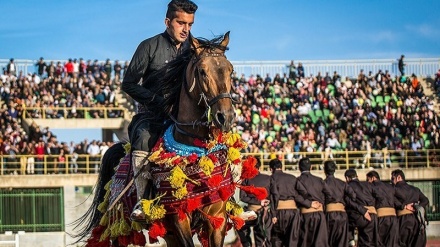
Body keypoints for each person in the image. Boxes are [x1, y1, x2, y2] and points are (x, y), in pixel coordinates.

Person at [121, 0, 198, 221]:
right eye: (181, 23)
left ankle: (229, 201)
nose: (186, 29)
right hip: (152, 115)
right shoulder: (148, 46)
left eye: (190, 25)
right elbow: (128, 84)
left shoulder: (195, 49)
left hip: (186, 119)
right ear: (167, 21)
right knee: (143, 138)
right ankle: (143, 202)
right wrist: (157, 100)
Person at [269, 158, 312, 247]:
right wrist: (308, 203)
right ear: (282, 167)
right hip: (293, 212)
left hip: (277, 211)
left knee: (276, 238)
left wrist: (273, 214)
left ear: (271, 169)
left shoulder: (271, 178)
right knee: (292, 239)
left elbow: (273, 197)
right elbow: (304, 192)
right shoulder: (292, 177)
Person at [238, 157, 277, 247]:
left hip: (250, 212)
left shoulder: (246, 180)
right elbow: (275, 196)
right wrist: (274, 214)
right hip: (266, 213)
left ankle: (247, 243)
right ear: (259, 166)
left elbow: (242, 198)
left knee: (240, 227)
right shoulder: (268, 178)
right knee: (262, 238)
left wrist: (258, 202)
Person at [297, 157, 331, 247]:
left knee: (305, 241)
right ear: (311, 167)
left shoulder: (297, 180)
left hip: (305, 214)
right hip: (319, 214)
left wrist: (308, 203)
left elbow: (296, 196)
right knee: (320, 242)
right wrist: (321, 204)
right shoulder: (319, 180)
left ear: (299, 168)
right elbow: (329, 194)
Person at [391, 169, 429, 247]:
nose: (391, 181)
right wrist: (416, 207)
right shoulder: (415, 189)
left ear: (398, 177)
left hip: (403, 220)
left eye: (392, 178)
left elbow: (392, 200)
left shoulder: (394, 189)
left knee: (401, 243)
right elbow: (425, 200)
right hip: (416, 220)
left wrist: (403, 206)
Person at [323, 160, 356, 247]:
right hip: (342, 214)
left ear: (324, 170)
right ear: (334, 170)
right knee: (342, 241)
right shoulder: (342, 183)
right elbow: (353, 196)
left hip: (329, 214)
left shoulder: (322, 183)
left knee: (329, 240)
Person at [344, 169, 379, 247]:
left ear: (347, 178)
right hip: (372, 215)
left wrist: (363, 211)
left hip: (359, 216)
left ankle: (351, 241)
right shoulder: (368, 184)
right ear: (357, 176)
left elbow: (348, 201)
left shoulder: (348, 186)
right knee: (368, 242)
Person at [366, 170, 399, 247]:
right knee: (392, 243)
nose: (367, 182)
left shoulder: (371, 186)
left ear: (373, 178)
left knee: (379, 242)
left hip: (381, 218)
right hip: (393, 218)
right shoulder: (390, 186)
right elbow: (396, 201)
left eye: (368, 180)